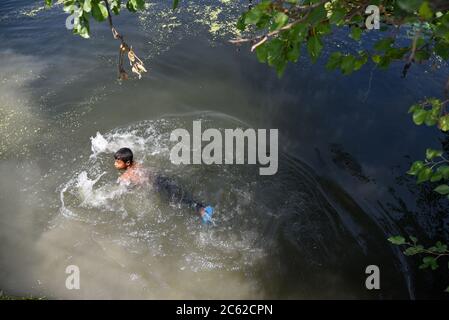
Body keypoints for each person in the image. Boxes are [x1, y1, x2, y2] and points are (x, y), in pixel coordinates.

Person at [113, 147, 214, 224]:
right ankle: (202, 208)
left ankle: (203, 212)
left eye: (118, 162)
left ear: (127, 162)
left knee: (177, 200)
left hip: (158, 186)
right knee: (183, 196)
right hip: (161, 178)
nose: (115, 164)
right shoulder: (136, 164)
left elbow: (122, 189)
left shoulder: (126, 176)